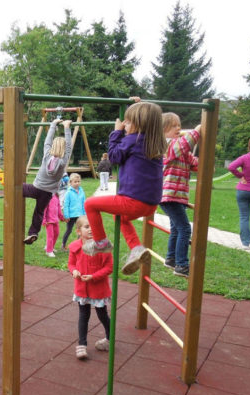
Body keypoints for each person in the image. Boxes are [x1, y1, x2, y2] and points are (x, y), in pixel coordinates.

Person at [83, 101, 167, 275]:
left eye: (127, 122)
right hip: (151, 204)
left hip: (133, 200)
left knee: (90, 204)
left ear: (138, 123)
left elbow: (114, 156)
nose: (124, 125)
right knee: (120, 217)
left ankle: (101, 242)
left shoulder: (131, 139)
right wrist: (137, 104)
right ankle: (136, 249)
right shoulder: (155, 142)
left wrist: (116, 132)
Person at [160, 113, 201, 278]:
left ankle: (171, 258)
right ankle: (182, 265)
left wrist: (205, 163)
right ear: (163, 130)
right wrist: (197, 130)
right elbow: (186, 143)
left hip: (177, 195)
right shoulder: (167, 145)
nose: (179, 128)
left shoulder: (181, 149)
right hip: (169, 195)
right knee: (184, 228)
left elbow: (193, 162)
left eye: (179, 125)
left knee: (176, 228)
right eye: (174, 126)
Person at [68, 216, 114, 360]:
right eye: (87, 227)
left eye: (94, 226)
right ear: (78, 231)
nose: (91, 229)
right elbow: (71, 264)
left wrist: (94, 277)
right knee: (84, 314)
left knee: (102, 314)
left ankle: (109, 338)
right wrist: (74, 271)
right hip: (82, 288)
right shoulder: (75, 247)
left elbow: (109, 267)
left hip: (98, 288)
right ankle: (82, 345)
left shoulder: (103, 247)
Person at [23, 118, 72, 244]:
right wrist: (67, 127)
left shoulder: (47, 155)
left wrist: (53, 124)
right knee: (38, 212)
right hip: (47, 193)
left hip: (35, 188)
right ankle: (33, 232)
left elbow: (47, 140)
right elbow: (68, 147)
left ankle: (13, 202)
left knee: (18, 187)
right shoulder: (63, 161)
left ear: (53, 147)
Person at [61, 173, 86, 250]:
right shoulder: (68, 192)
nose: (77, 183)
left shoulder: (81, 191)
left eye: (79, 181)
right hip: (71, 216)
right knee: (69, 230)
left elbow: (84, 203)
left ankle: (79, 245)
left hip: (80, 215)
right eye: (75, 181)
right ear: (71, 182)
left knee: (81, 230)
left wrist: (84, 214)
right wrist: (66, 215)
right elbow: (66, 205)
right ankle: (63, 245)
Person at [42, 193, 65, 258]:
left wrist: (61, 217)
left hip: (55, 220)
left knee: (56, 234)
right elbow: (44, 210)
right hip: (49, 221)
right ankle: (49, 251)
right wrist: (44, 220)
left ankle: (50, 247)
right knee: (50, 236)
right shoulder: (47, 197)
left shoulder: (56, 196)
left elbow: (58, 208)